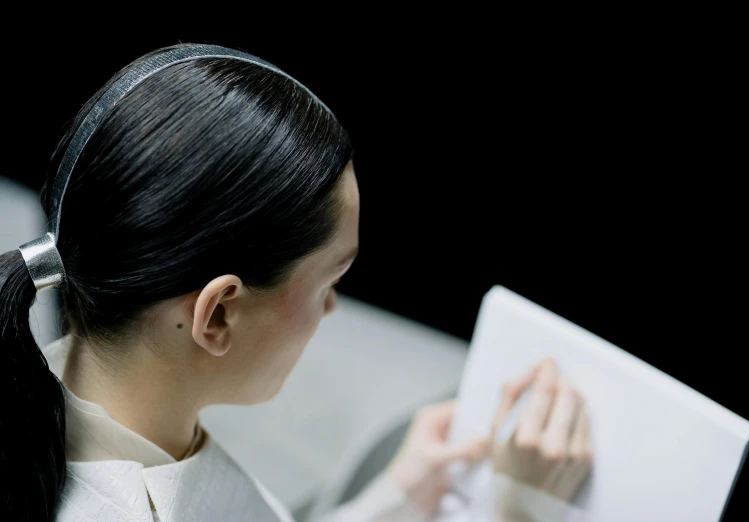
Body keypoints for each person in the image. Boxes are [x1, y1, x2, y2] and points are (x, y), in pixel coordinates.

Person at [0, 44, 591, 522]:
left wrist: (400, 499)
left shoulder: (38, 406)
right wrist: (520, 511)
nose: (332, 308)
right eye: (329, 279)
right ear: (218, 315)